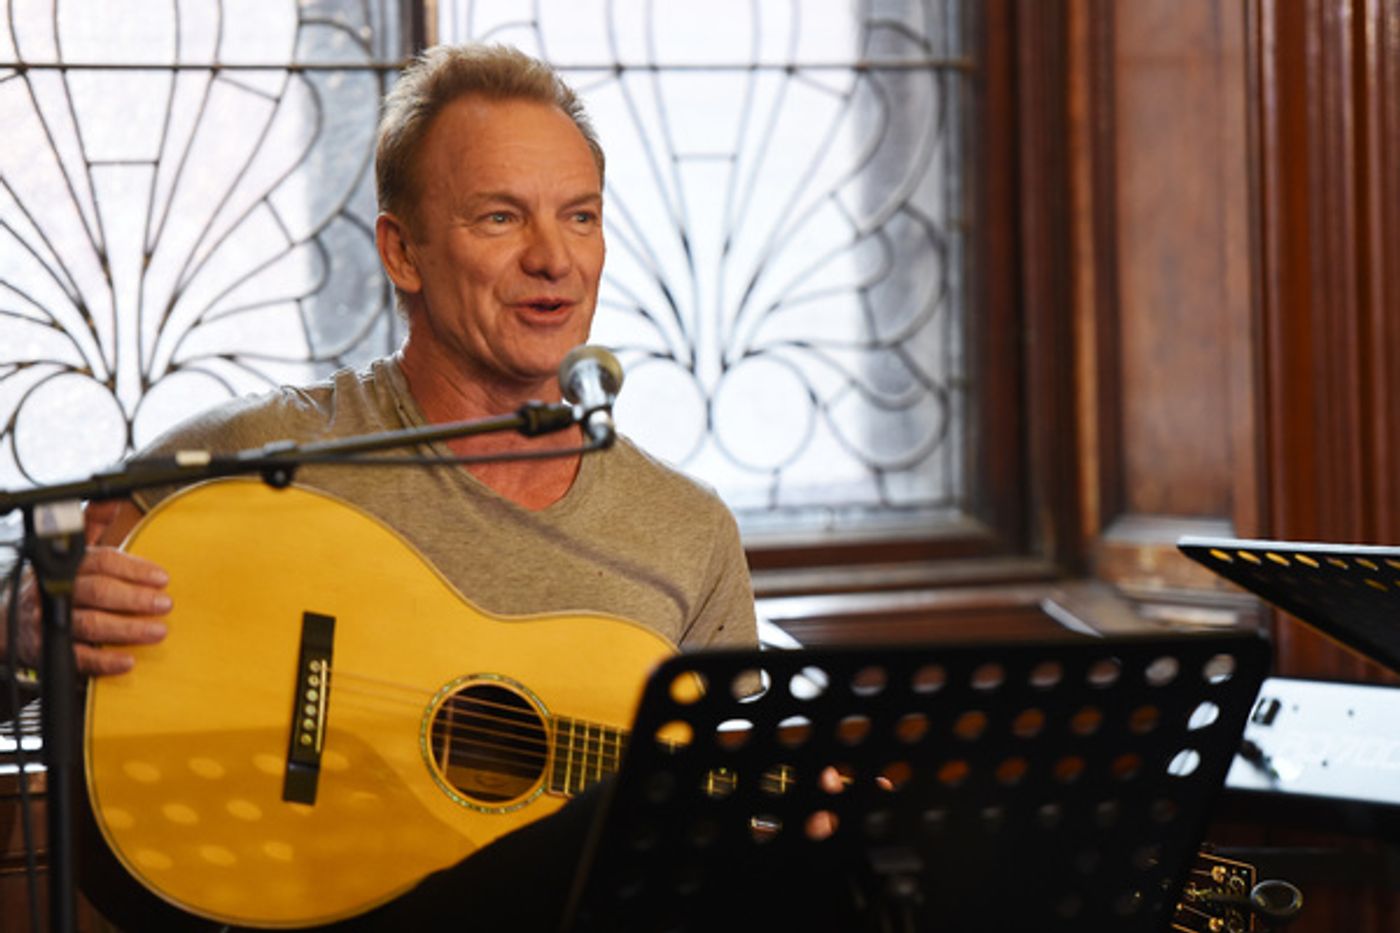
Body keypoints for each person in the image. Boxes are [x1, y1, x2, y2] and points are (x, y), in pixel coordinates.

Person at [0, 43, 758, 932]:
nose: (555, 258)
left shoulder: (688, 528)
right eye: (501, 218)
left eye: (581, 216)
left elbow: (724, 790)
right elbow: (36, 632)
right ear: (402, 251)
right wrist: (25, 620)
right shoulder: (262, 457)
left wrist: (792, 808)